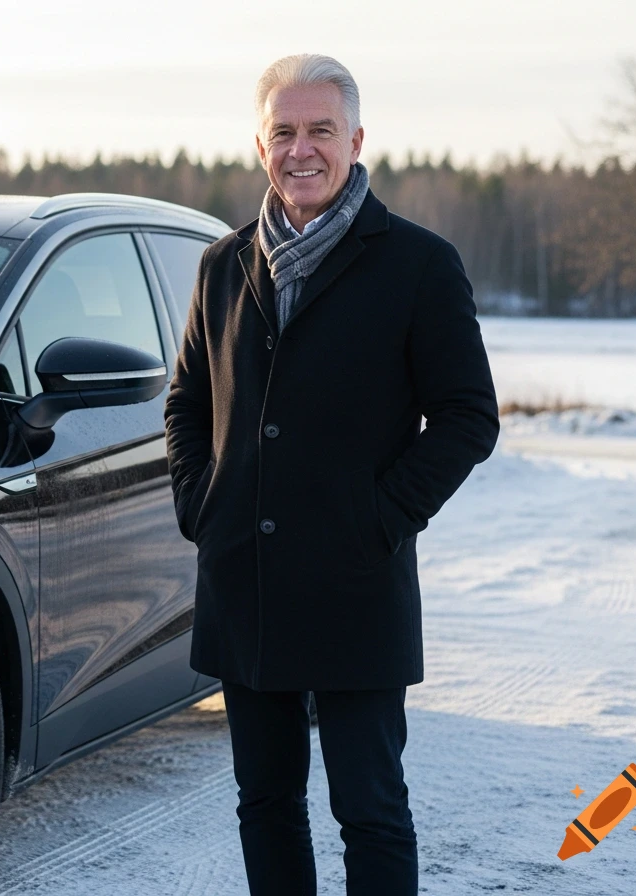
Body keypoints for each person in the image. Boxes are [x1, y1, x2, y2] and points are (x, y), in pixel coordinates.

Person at [163, 54, 499, 895]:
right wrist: (203, 506)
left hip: (356, 582)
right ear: (260, 146)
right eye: (283, 132)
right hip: (246, 580)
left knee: (369, 808)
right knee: (265, 802)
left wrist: (379, 517)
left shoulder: (418, 264)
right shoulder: (222, 266)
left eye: (320, 130)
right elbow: (186, 403)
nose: (301, 149)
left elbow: (469, 417)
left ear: (355, 140)